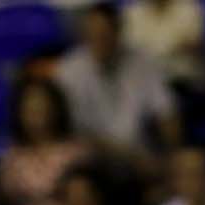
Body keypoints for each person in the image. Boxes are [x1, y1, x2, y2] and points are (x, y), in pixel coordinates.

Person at [55, 3, 181, 168]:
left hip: (139, 155)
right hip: (89, 159)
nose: (100, 41)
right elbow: (69, 129)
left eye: (105, 34)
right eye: (93, 35)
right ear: (84, 35)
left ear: (119, 32)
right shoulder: (69, 69)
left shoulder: (142, 62)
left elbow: (166, 112)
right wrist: (125, 154)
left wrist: (172, 155)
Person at [0, 78, 92, 205]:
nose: (38, 113)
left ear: (56, 108)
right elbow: (6, 204)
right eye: (31, 108)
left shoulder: (77, 153)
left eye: (42, 106)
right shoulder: (12, 158)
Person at [125, 0, 205, 86]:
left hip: (181, 79)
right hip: (142, 80)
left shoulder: (190, 9)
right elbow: (130, 49)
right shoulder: (132, 13)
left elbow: (194, 45)